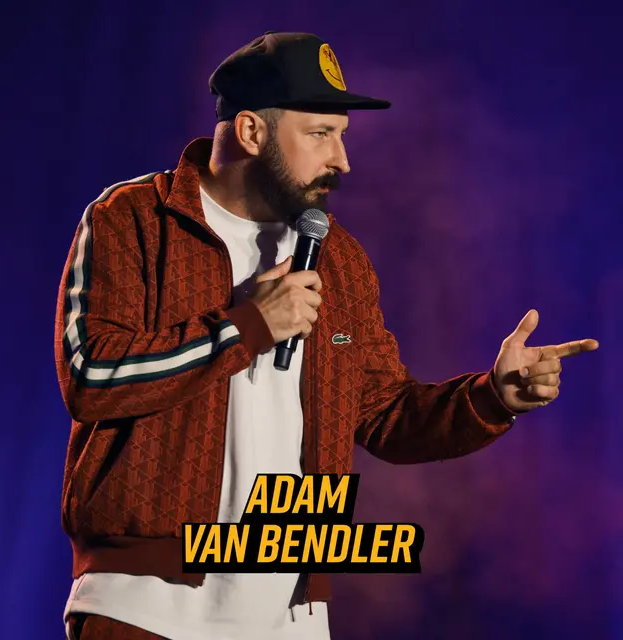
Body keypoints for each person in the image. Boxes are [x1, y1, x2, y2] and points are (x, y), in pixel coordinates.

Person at [54, 31, 599, 640]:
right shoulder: (134, 218)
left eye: (342, 135)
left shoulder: (340, 259)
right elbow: (91, 376)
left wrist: (493, 397)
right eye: (320, 134)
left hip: (292, 613)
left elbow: (386, 415)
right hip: (144, 605)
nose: (342, 160)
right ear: (251, 131)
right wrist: (248, 326)